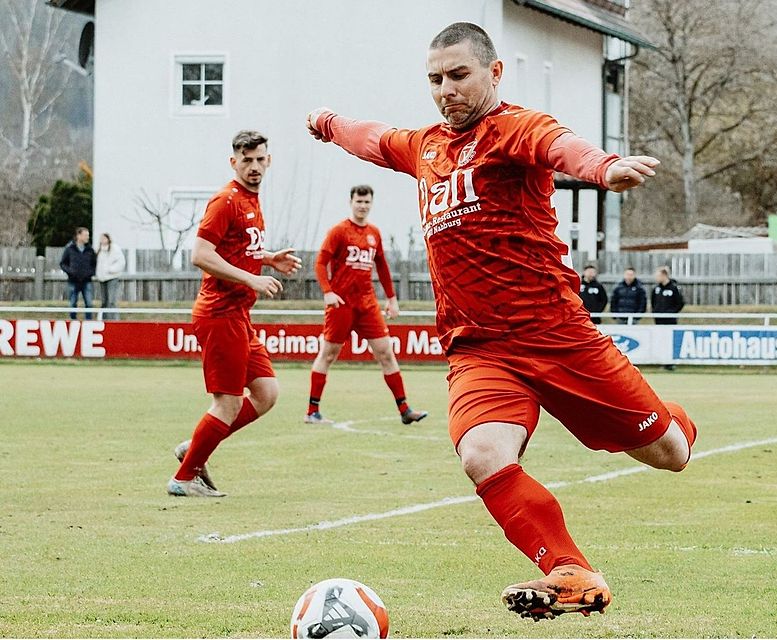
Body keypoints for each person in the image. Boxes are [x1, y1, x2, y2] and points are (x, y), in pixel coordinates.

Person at [305, 22, 697, 621]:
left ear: (494, 72)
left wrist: (605, 167)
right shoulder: (426, 146)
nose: (445, 89)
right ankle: (570, 571)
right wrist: (329, 124)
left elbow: (562, 148)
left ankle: (676, 422)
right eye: (435, 79)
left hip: (557, 335)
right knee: (483, 454)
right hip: (478, 349)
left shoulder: (515, 129)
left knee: (669, 453)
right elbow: (374, 137)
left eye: (458, 75)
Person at [168, 130, 302, 498]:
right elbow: (201, 254)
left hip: (238, 315)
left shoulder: (251, 200)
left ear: (269, 160)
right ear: (234, 162)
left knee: (266, 393)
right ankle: (183, 477)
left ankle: (194, 447)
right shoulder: (225, 200)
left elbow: (237, 248)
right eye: (247, 160)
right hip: (219, 314)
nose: (254, 166)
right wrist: (252, 279)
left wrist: (268, 258)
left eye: (260, 159)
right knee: (226, 402)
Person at [305, 185, 427, 426]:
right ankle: (312, 412)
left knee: (386, 353)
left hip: (368, 304)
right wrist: (327, 292)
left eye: (366, 202)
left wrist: (391, 299)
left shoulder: (374, 233)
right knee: (328, 355)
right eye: (359, 201)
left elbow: (381, 266)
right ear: (351, 202)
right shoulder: (339, 231)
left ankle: (404, 409)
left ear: (371, 203)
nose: (362, 206)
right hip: (341, 304)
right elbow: (320, 264)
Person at [59, 227, 96, 320]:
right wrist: (71, 272)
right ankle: (72, 321)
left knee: (89, 303)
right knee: (72, 302)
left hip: (86, 280)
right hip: (73, 280)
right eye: (85, 235)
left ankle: (89, 322)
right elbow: (63, 263)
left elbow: (94, 264)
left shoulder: (90, 250)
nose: (88, 237)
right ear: (79, 235)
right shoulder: (70, 249)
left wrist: (90, 273)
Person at [95, 233, 126, 320]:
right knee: (104, 301)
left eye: (104, 238)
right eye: (101, 238)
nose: (102, 240)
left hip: (112, 277)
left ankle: (114, 320)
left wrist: (110, 269)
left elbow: (121, 262)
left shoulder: (114, 249)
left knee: (111, 301)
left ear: (108, 239)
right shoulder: (99, 250)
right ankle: (104, 319)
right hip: (102, 278)